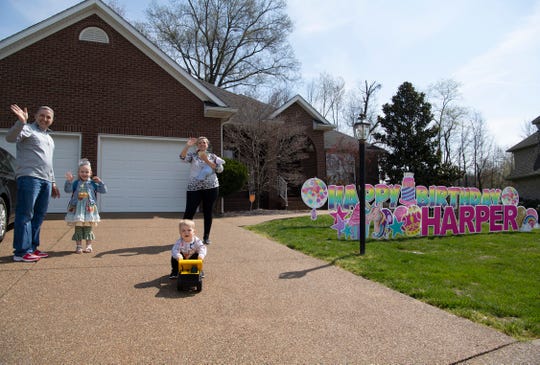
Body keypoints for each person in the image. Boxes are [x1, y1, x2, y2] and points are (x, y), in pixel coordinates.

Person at [5, 104, 61, 262]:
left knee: (39, 215)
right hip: (29, 178)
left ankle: (32, 248)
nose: (45, 119)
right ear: (36, 116)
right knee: (25, 214)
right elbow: (10, 138)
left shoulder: (49, 138)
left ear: (52, 120)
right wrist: (21, 122)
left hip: (45, 180)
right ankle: (21, 252)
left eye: (48, 117)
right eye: (42, 115)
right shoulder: (27, 129)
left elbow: (48, 163)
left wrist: (53, 182)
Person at [180, 136, 225, 244]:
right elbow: (182, 157)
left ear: (207, 145)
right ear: (197, 145)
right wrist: (187, 146)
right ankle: (185, 236)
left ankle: (206, 237)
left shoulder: (213, 156)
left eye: (204, 143)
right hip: (194, 188)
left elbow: (219, 169)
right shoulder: (193, 156)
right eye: (200, 143)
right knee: (189, 212)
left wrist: (206, 160)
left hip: (211, 188)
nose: (202, 144)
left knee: (208, 212)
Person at [64, 158, 108, 254]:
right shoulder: (76, 183)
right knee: (78, 227)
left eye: (87, 172)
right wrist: (69, 181)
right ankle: (79, 246)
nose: (84, 174)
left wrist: (100, 182)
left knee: (88, 227)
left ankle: (88, 245)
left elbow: (103, 191)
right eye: (82, 172)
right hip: (77, 208)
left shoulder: (93, 183)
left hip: (89, 208)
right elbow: (67, 190)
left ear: (90, 173)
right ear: (79, 172)